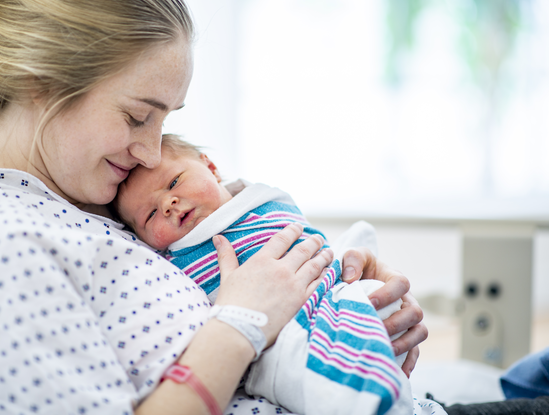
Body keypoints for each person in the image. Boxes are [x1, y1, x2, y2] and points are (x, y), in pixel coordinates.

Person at [0, 0, 427, 414]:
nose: (150, 151)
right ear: (41, 82)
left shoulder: (85, 206)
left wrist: (344, 294)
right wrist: (242, 321)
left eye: (164, 121)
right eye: (137, 116)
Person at [112, 134, 433, 414]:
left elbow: (310, 239)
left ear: (210, 166)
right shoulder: (170, 262)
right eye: (150, 215)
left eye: (173, 182)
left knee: (371, 291)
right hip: (285, 330)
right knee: (316, 368)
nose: (167, 204)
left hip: (332, 285)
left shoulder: (260, 199)